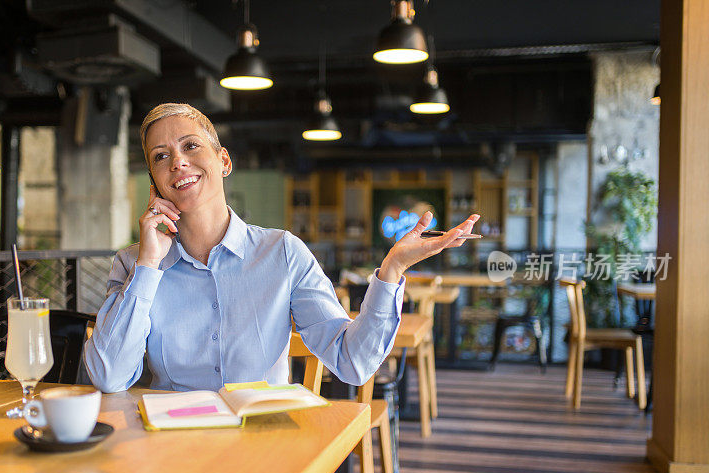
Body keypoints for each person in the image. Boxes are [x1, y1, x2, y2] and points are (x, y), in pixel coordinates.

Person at [84, 103, 479, 393]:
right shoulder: (133, 263)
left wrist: (391, 270)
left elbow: (353, 362)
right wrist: (150, 264)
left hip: (260, 448)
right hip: (171, 451)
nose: (178, 163)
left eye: (191, 147)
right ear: (154, 180)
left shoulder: (283, 253)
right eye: (161, 157)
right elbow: (109, 376)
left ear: (223, 161)